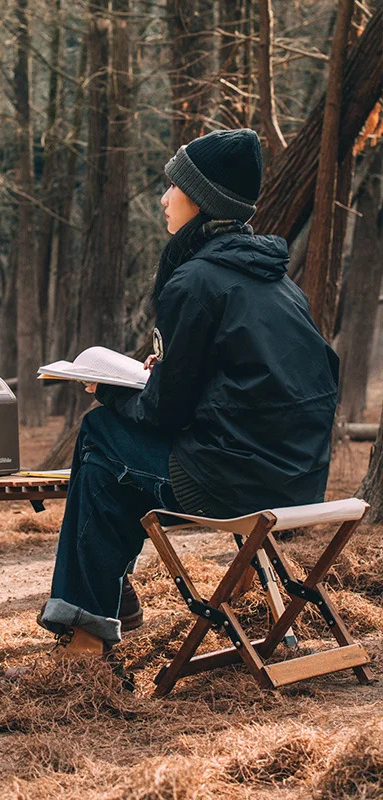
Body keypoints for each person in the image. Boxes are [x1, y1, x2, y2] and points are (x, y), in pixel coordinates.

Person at [38, 128, 340, 657]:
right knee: (118, 455)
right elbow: (252, 385)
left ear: (200, 200)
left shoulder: (196, 280)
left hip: (232, 487)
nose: (163, 199)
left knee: (100, 438)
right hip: (298, 480)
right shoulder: (277, 283)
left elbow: (162, 415)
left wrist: (109, 392)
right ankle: (121, 599)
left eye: (173, 188)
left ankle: (86, 634)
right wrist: (167, 373)